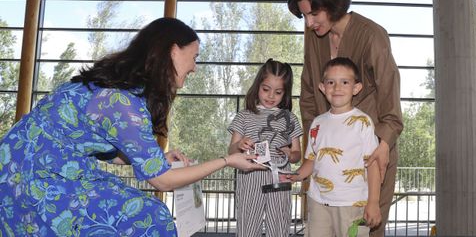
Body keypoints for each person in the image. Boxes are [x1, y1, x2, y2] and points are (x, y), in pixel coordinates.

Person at [0, 17, 264, 237]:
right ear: (174, 51)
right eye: (194, 57)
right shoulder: (122, 101)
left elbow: (98, 146)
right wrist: (227, 161)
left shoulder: (116, 88)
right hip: (34, 176)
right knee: (152, 218)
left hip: (24, 166)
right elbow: (162, 181)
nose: (194, 67)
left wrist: (156, 158)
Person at [287, 0, 403, 236]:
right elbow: (308, 94)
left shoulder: (372, 35)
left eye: (313, 14)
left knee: (365, 228)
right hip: (327, 160)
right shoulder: (314, 38)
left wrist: (383, 146)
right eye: (304, 16)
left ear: (330, 3)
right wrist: (312, 149)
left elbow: (391, 101)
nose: (308, 23)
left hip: (369, 154)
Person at [289, 57, 381, 236]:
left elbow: (374, 165)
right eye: (331, 82)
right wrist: (294, 175)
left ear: (356, 88)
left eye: (344, 82)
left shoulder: (363, 122)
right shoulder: (317, 123)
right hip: (318, 203)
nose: (337, 88)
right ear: (322, 87)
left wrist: (373, 202)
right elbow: (312, 161)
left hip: (352, 205)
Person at [228, 58, 303, 237]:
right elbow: (231, 152)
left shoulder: (290, 118)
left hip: (280, 177)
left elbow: (297, 154)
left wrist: (289, 154)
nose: (270, 96)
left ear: (285, 93)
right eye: (266, 89)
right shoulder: (244, 116)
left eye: (277, 92)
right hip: (250, 177)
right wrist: (239, 145)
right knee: (248, 224)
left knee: (279, 225)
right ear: (258, 86)